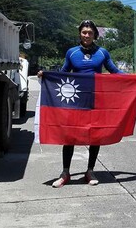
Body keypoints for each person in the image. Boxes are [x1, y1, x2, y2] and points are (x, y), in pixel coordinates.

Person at [37, 20, 122, 188]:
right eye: (84, 32)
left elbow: (115, 72)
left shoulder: (103, 52)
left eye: (90, 33)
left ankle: (90, 171)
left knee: (94, 135)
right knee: (69, 136)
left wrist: (135, 78)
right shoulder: (72, 52)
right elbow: (63, 73)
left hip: (95, 99)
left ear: (95, 35)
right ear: (80, 34)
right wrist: (46, 75)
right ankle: (65, 172)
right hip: (75, 100)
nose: (87, 35)